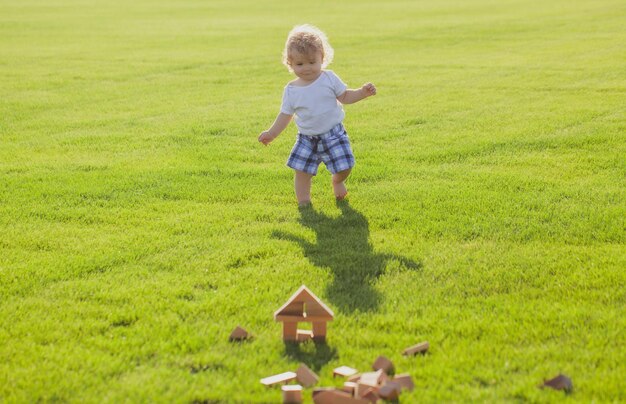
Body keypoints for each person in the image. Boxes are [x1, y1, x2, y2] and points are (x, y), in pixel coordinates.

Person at [258, 24, 377, 206]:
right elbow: (285, 115)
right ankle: (304, 201)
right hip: (307, 139)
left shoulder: (329, 78)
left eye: (312, 62)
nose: (306, 68)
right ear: (290, 63)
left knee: (345, 166)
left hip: (333, 134)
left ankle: (337, 180)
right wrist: (271, 133)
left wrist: (362, 93)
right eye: (299, 64)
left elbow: (345, 96)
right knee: (302, 172)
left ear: (322, 58)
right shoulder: (291, 90)